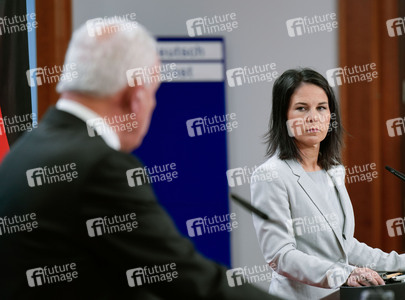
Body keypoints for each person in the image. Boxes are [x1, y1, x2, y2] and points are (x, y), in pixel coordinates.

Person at [0, 20, 282, 299]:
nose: (153, 104)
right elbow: (186, 278)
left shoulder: (24, 152)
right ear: (136, 97)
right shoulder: (101, 167)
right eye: (153, 92)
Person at [250, 68, 405, 300]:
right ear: (284, 116)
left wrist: (403, 261)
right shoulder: (271, 175)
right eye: (302, 108)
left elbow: (344, 246)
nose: (313, 117)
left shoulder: (333, 170)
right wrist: (342, 274)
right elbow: (280, 255)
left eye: (321, 108)